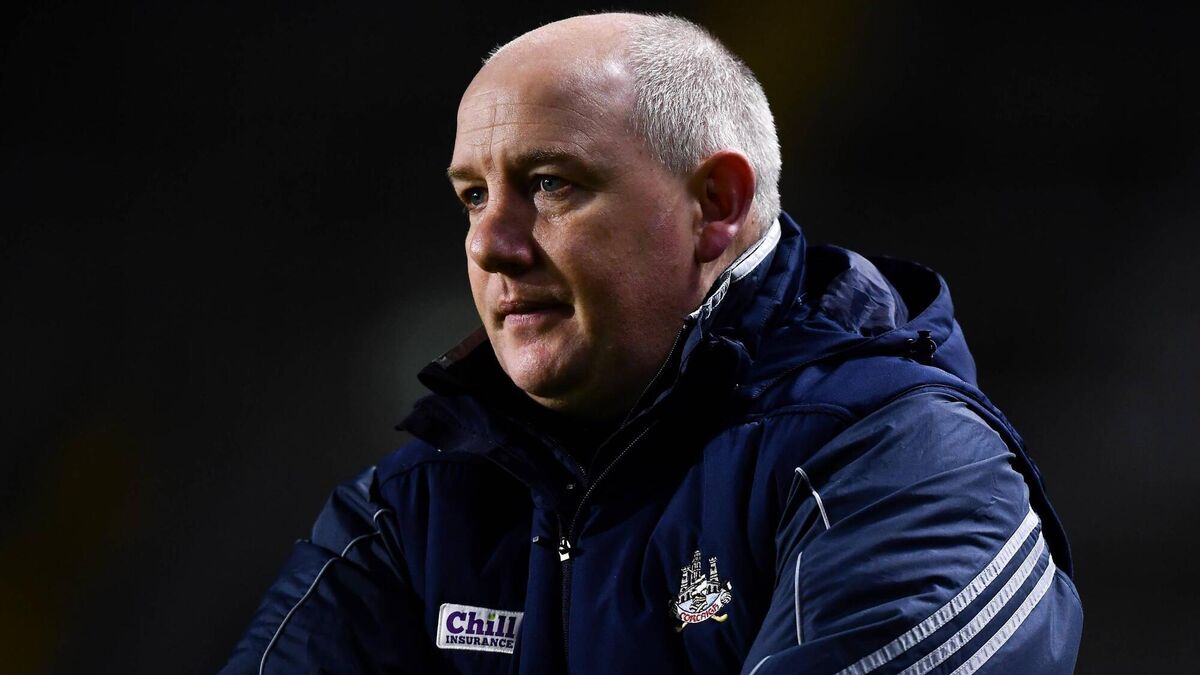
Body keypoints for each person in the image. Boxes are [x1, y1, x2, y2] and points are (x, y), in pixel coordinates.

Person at [221, 12, 1083, 675]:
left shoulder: (908, 464)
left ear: (715, 204)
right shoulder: (417, 506)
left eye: (549, 184)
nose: (489, 243)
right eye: (473, 197)